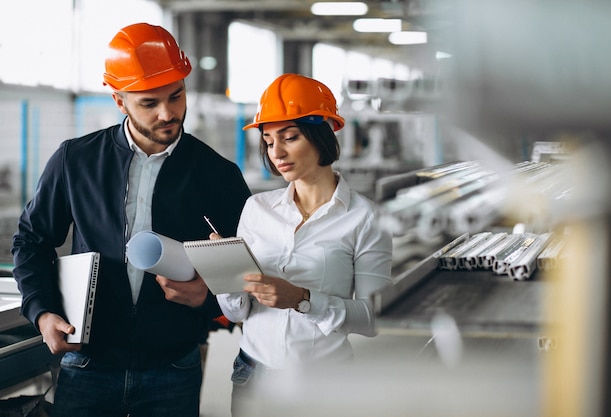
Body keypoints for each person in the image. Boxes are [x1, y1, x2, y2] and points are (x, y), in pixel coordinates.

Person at [11, 22, 251, 417]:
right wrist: (43, 312)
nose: (168, 113)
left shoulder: (217, 175)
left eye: (176, 96)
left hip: (174, 366)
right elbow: (31, 240)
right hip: (87, 363)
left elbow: (245, 268)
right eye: (149, 103)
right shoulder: (76, 161)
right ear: (120, 101)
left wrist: (207, 297)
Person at [216, 73, 393, 416]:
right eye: (268, 141)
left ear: (321, 135)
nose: (276, 151)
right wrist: (228, 270)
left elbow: (373, 318)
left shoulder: (366, 218)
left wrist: (302, 299)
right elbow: (236, 312)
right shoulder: (257, 209)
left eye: (290, 137)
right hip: (253, 374)